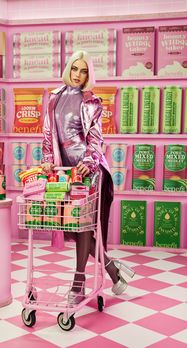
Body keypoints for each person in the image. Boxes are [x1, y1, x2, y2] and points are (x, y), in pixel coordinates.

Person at [41, 50, 135, 305]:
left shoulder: (91, 101)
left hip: (89, 170)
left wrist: (88, 162)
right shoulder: (53, 98)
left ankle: (78, 283)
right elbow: (48, 136)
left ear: (88, 74)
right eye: (75, 69)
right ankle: (113, 269)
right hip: (64, 172)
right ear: (68, 69)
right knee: (74, 226)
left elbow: (95, 139)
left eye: (84, 71)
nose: (78, 75)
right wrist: (48, 161)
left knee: (84, 228)